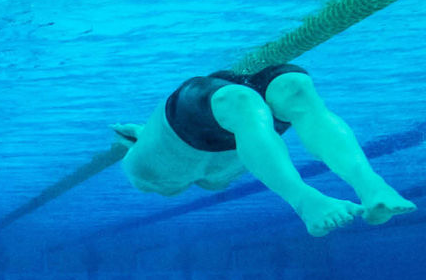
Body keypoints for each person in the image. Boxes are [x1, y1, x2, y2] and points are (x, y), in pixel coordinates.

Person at [112, 64, 416, 237]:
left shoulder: (148, 172)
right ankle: (370, 185)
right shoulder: (213, 168)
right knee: (293, 91)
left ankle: (314, 198)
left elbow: (186, 174)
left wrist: (143, 137)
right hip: (222, 124)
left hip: (194, 122)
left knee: (252, 102)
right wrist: (142, 135)